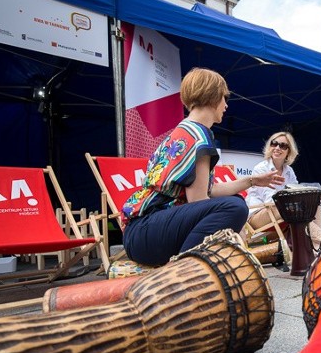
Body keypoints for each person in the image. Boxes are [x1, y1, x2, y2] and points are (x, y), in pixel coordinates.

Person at [121, 68, 285, 266]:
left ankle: (192, 264)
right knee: (235, 207)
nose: (225, 105)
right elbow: (198, 201)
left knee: (233, 202)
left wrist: (252, 181)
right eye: (224, 98)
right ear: (213, 96)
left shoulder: (185, 131)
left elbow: (207, 191)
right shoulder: (200, 137)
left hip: (143, 233)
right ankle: (186, 270)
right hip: (147, 233)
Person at [245, 131, 321, 249]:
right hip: (258, 215)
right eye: (274, 144)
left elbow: (296, 192)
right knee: (290, 209)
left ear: (289, 151)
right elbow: (270, 199)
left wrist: (317, 196)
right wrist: (292, 202)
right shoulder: (261, 168)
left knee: (314, 204)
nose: (277, 148)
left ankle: (315, 247)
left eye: (283, 146)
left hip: (281, 211)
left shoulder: (289, 171)